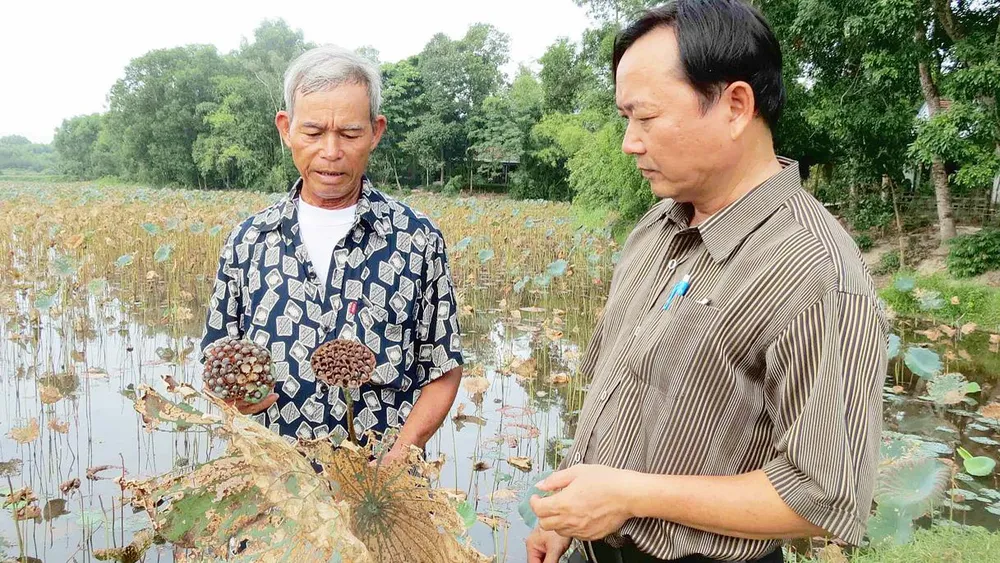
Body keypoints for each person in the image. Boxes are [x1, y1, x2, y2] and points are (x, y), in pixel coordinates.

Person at [525, 2, 888, 562]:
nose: (629, 142)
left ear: (735, 105)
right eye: (626, 119)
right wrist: (572, 512)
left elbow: (824, 496)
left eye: (645, 118)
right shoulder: (656, 227)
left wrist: (627, 495)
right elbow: (616, 389)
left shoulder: (813, 271)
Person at [200, 45, 463, 464]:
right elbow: (215, 357)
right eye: (313, 131)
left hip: (381, 493)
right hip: (277, 490)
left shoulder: (417, 240)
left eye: (350, 133)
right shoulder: (248, 241)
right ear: (286, 128)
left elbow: (444, 368)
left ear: (376, 131)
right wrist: (233, 401)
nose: (331, 151)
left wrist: (399, 457)